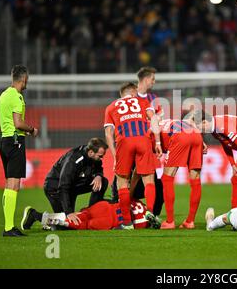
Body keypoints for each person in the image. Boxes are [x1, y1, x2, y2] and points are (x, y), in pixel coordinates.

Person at [104, 82, 162, 228]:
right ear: (133, 92)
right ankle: (149, 211)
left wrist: (114, 155)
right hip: (143, 139)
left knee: (122, 182)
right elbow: (154, 119)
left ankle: (127, 222)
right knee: (149, 180)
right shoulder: (142, 101)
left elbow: (108, 133)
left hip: (124, 142)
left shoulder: (111, 107)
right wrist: (158, 142)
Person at [0, 65, 39, 237]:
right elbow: (18, 122)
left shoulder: (3, 95)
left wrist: (14, 131)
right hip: (15, 143)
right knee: (14, 185)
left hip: (5, 141)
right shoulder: (17, 97)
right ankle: (8, 228)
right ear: (24, 79)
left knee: (8, 184)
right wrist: (31, 130)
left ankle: (8, 226)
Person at [194, 111, 237, 208]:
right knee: (236, 179)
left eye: (199, 127)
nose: (199, 131)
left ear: (204, 122)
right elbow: (225, 144)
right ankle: (235, 213)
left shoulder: (222, 126)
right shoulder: (214, 129)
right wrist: (233, 164)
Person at [156, 118, 205, 229]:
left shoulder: (148, 130)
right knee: (195, 179)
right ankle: (190, 221)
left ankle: (169, 222)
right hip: (197, 136)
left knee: (167, 178)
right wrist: (202, 142)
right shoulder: (167, 121)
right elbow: (190, 121)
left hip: (180, 137)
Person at [44, 138, 109, 216]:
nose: (102, 158)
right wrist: (69, 213)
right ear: (91, 152)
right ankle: (34, 215)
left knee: (103, 182)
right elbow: (63, 186)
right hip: (55, 188)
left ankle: (92, 213)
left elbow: (98, 168)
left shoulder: (91, 154)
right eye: (100, 156)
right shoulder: (73, 160)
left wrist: (98, 176)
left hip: (71, 186)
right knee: (65, 223)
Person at [21, 195, 160, 231]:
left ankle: (49, 221)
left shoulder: (138, 202)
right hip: (110, 220)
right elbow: (152, 223)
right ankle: (40, 217)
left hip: (105, 206)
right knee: (81, 224)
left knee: (81, 215)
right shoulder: (145, 221)